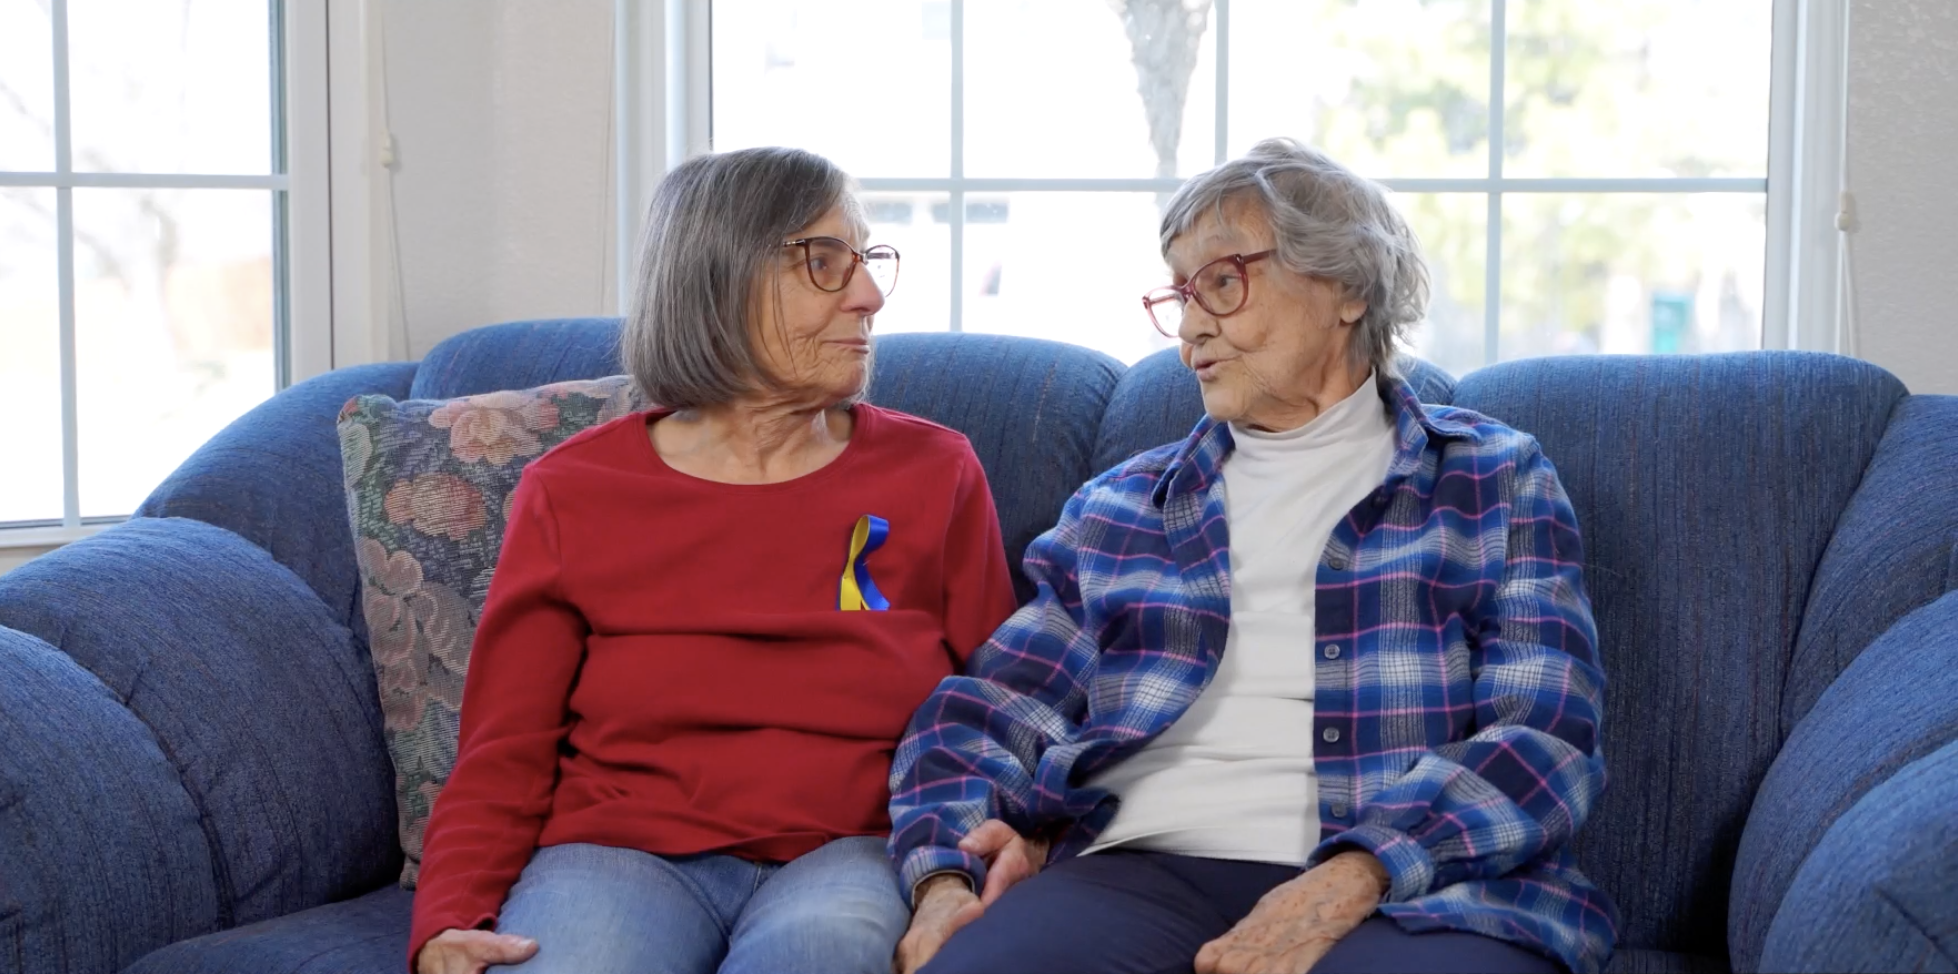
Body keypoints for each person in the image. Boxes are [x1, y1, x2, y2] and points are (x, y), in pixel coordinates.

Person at [888, 137, 1619, 974]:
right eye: (1181, 294)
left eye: (1223, 283)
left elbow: (1544, 734)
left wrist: (1360, 870)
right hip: (1135, 870)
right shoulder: (1122, 506)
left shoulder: (1490, 479)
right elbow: (989, 711)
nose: (1191, 327)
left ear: (1346, 287)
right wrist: (942, 876)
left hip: (1411, 885)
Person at [408, 146, 1019, 974]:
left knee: (821, 955)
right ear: (719, 282)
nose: (870, 296)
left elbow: (1001, 708)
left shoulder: (935, 471)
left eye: (868, 260)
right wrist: (449, 918)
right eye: (825, 262)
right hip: (620, 852)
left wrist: (958, 868)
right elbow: (504, 750)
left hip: (851, 848)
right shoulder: (574, 490)